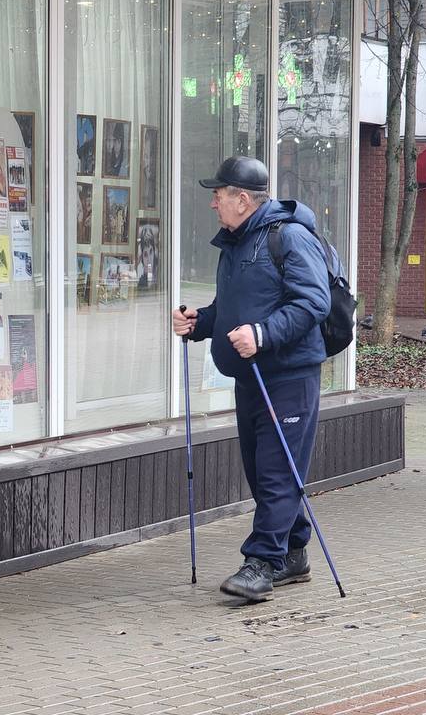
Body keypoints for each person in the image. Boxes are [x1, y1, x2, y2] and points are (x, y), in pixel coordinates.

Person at [172, 155, 330, 604]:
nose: (213, 204)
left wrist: (263, 333)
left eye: (218, 195)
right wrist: (199, 322)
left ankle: (261, 563)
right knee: (264, 473)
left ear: (242, 200)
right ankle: (294, 553)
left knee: (278, 472)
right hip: (251, 376)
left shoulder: (290, 237)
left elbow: (313, 303)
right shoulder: (237, 243)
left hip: (290, 375)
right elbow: (232, 311)